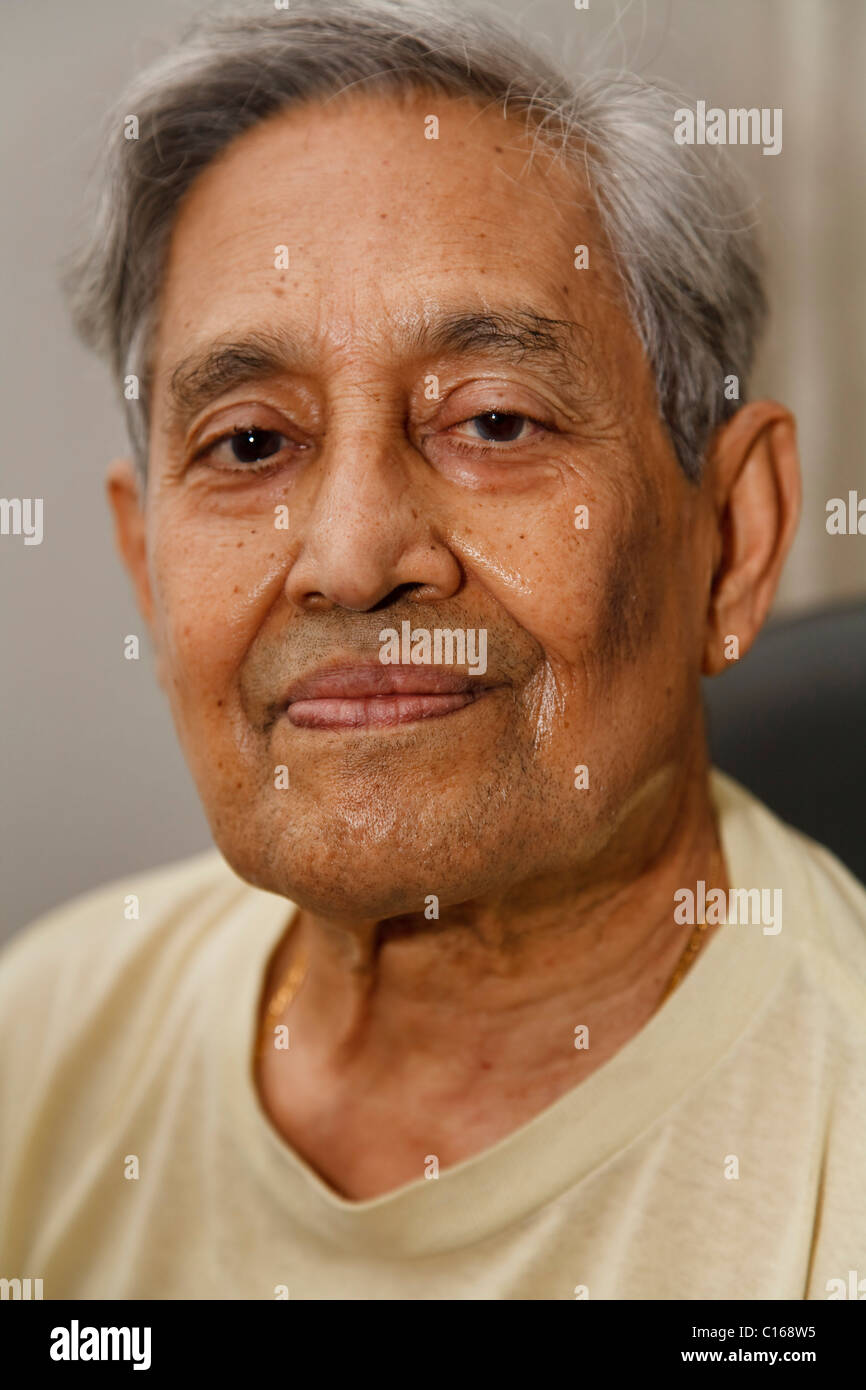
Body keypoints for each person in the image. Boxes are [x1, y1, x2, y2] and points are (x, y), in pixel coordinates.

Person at [1, 0, 864, 1301]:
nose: (350, 557)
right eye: (248, 444)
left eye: (495, 422)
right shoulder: (36, 1045)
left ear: (730, 538)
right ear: (148, 566)